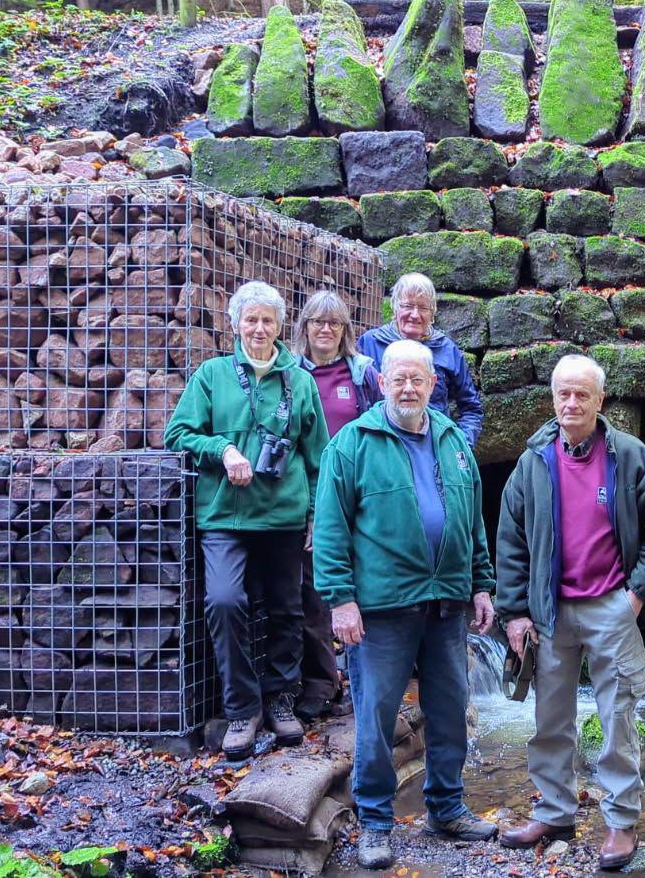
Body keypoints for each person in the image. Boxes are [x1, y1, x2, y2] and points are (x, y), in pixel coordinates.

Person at [312, 339, 499, 870]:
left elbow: (471, 520)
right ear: (383, 382)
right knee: (375, 718)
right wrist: (341, 600)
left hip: (445, 605)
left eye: (418, 379)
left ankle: (447, 807)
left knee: (449, 712)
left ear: (433, 384)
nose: (409, 388)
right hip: (381, 609)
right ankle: (374, 823)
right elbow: (329, 530)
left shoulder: (452, 440)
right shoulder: (352, 444)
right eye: (399, 379)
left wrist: (481, 584)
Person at [495, 355, 645, 871]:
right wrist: (514, 612)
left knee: (617, 718)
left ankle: (621, 824)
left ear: (601, 400)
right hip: (550, 611)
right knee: (549, 719)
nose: (571, 404)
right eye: (563, 394)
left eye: (582, 394)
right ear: (553, 398)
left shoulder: (629, 456)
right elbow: (511, 539)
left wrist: (638, 594)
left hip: (611, 608)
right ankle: (554, 810)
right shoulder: (534, 460)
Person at [164, 280, 329, 761]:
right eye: (250, 320)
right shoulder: (212, 375)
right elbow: (178, 433)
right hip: (224, 515)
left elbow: (318, 456)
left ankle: (281, 700)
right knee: (224, 599)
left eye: (268, 320)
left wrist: (318, 513)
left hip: (284, 515)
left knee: (287, 608)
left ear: (281, 327)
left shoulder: (299, 381)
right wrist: (222, 448)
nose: (259, 328)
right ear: (234, 324)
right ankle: (242, 707)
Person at [291, 290, 382, 722]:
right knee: (315, 593)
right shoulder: (289, 374)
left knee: (361, 585)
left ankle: (368, 678)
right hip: (309, 494)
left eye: (334, 324)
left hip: (359, 496)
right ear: (304, 327)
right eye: (316, 322)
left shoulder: (362, 373)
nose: (324, 330)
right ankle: (323, 683)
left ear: (345, 331)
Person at [357, 272, 484, 446]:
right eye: (408, 306)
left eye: (423, 308)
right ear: (395, 308)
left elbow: (471, 407)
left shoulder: (446, 349)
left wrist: (459, 446)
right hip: (381, 445)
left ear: (432, 313)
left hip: (432, 447)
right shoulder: (370, 344)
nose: (415, 315)